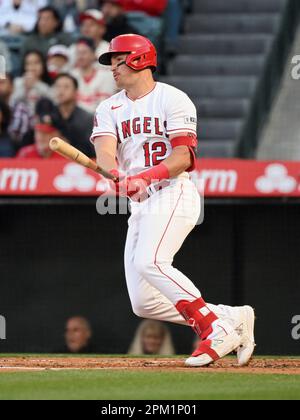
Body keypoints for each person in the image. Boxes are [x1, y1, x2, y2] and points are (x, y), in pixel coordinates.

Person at [92, 34, 256, 367]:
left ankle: (215, 328)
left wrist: (143, 177)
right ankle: (232, 316)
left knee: (150, 262)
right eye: (111, 60)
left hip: (173, 192)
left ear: (139, 59)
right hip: (141, 204)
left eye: (117, 59)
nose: (112, 67)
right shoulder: (108, 107)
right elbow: (105, 152)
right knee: (144, 303)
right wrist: (115, 175)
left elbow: (183, 157)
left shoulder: (173, 98)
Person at [71, 37, 116, 113]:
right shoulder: (71, 76)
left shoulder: (107, 76)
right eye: (78, 53)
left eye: (84, 53)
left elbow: (107, 106)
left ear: (93, 54)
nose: (80, 57)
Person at [11, 50, 51, 117]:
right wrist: (25, 88)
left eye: (36, 62)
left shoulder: (48, 84)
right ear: (24, 66)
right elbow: (11, 103)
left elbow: (54, 103)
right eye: (28, 63)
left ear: (43, 65)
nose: (32, 66)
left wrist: (36, 84)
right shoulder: (17, 82)